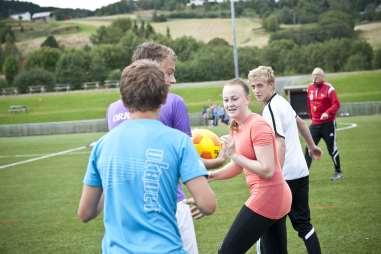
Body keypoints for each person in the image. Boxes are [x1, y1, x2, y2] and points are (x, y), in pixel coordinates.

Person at [77, 60, 216, 254]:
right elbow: (208, 204)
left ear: (124, 100)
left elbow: (85, 212)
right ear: (164, 97)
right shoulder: (179, 142)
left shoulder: (102, 145)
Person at [106, 42, 224, 253]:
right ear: (153, 68)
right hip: (171, 206)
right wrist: (217, 163)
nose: (173, 79)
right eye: (169, 72)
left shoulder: (113, 109)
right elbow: (186, 160)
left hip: (126, 212)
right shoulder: (174, 102)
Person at [208, 79, 292, 254]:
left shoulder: (258, 125)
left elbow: (267, 169)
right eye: (226, 100)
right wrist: (211, 175)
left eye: (234, 98)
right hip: (273, 197)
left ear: (247, 99)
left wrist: (235, 155)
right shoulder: (236, 125)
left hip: (270, 195)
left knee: (227, 251)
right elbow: (238, 166)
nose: (229, 104)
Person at [249, 66, 322, 254]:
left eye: (260, 85)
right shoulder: (283, 102)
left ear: (271, 84)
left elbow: (279, 143)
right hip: (301, 172)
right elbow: (300, 123)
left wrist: (276, 176)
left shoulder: (271, 108)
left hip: (285, 176)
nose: (256, 90)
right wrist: (312, 146)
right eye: (253, 86)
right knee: (303, 225)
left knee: (266, 224)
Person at [305, 67, 343, 181]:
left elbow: (336, 104)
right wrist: (312, 117)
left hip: (328, 124)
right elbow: (309, 104)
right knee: (309, 148)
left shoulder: (329, 89)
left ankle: (338, 172)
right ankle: (304, 174)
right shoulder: (309, 88)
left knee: (332, 148)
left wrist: (328, 113)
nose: (315, 77)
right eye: (313, 75)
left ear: (323, 76)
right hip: (315, 124)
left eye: (317, 75)